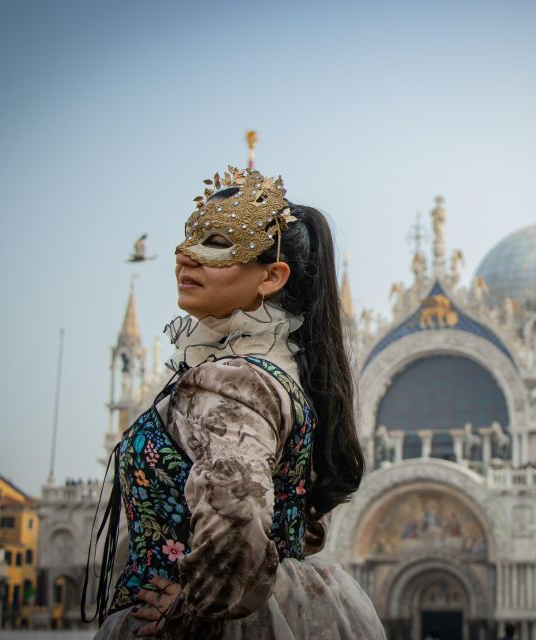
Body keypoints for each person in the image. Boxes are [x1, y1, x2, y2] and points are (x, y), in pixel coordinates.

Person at [87, 168, 385, 639]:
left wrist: (191, 606)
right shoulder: (288, 373)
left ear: (271, 277)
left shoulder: (233, 381)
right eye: (188, 240)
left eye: (218, 243)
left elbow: (237, 519)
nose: (185, 256)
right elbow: (300, 522)